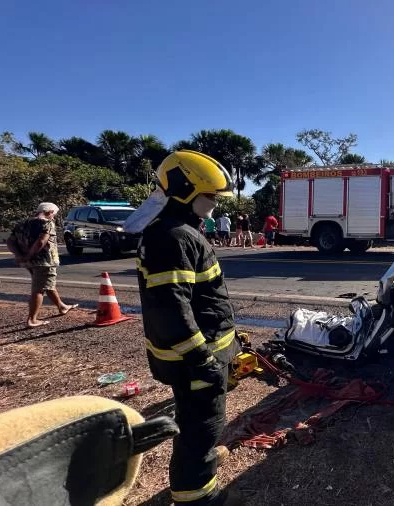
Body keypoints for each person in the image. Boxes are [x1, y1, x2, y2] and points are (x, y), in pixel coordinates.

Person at [123, 150, 242, 505]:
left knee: (199, 423)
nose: (215, 203)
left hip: (195, 356)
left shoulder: (178, 230)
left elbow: (196, 299)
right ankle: (197, 496)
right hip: (192, 361)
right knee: (200, 428)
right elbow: (171, 308)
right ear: (185, 190)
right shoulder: (172, 236)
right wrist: (202, 360)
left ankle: (198, 472)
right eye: (211, 195)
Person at [7, 202, 78, 327]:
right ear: (49, 212)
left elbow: (10, 242)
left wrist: (20, 256)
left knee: (47, 284)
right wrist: (29, 255)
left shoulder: (22, 223)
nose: (53, 217)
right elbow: (41, 242)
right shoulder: (46, 223)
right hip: (44, 262)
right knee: (38, 289)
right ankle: (32, 320)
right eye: (54, 214)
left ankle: (62, 307)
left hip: (29, 262)